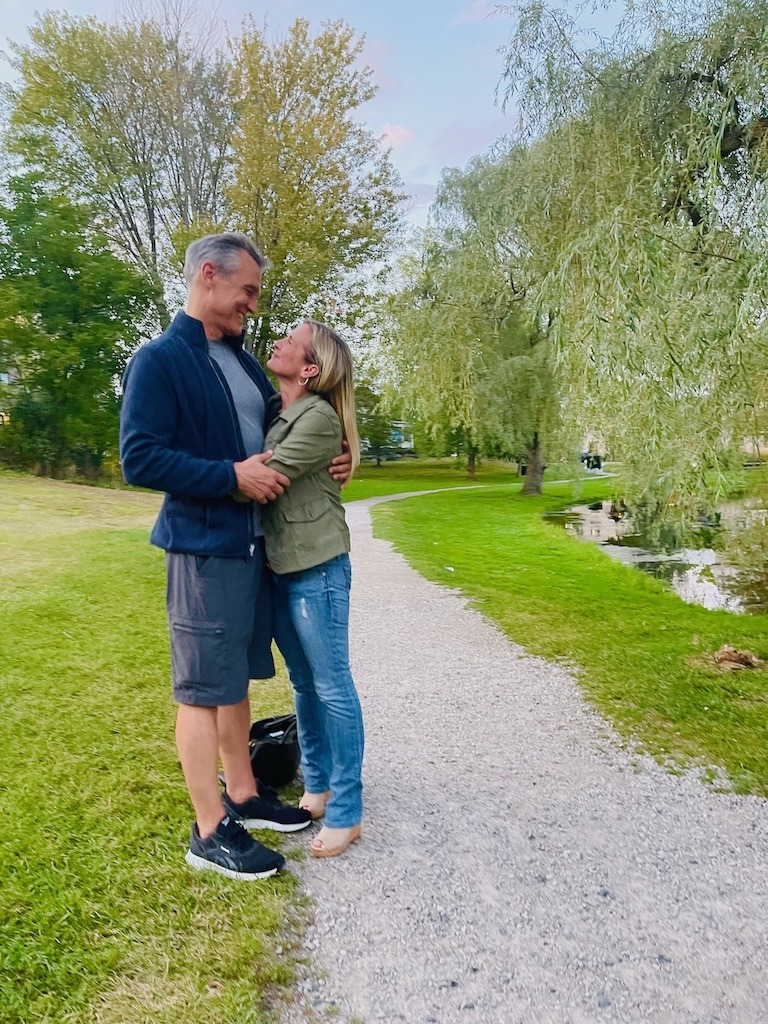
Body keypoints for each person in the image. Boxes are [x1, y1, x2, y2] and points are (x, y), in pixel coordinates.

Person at [119, 232, 351, 881]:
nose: (253, 302)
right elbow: (139, 457)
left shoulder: (243, 363)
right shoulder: (161, 359)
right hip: (201, 549)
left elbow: (283, 435)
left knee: (234, 682)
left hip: (250, 548)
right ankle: (208, 829)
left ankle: (244, 795)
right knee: (200, 690)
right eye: (247, 289)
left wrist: (334, 456)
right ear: (210, 277)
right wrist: (230, 476)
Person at [262, 320, 365, 859]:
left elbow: (269, 475)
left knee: (331, 686)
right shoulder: (278, 409)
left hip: (318, 566)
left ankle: (347, 810)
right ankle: (319, 788)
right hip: (284, 565)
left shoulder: (319, 417)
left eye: (290, 340)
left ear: (310, 368)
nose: (277, 341)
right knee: (304, 685)